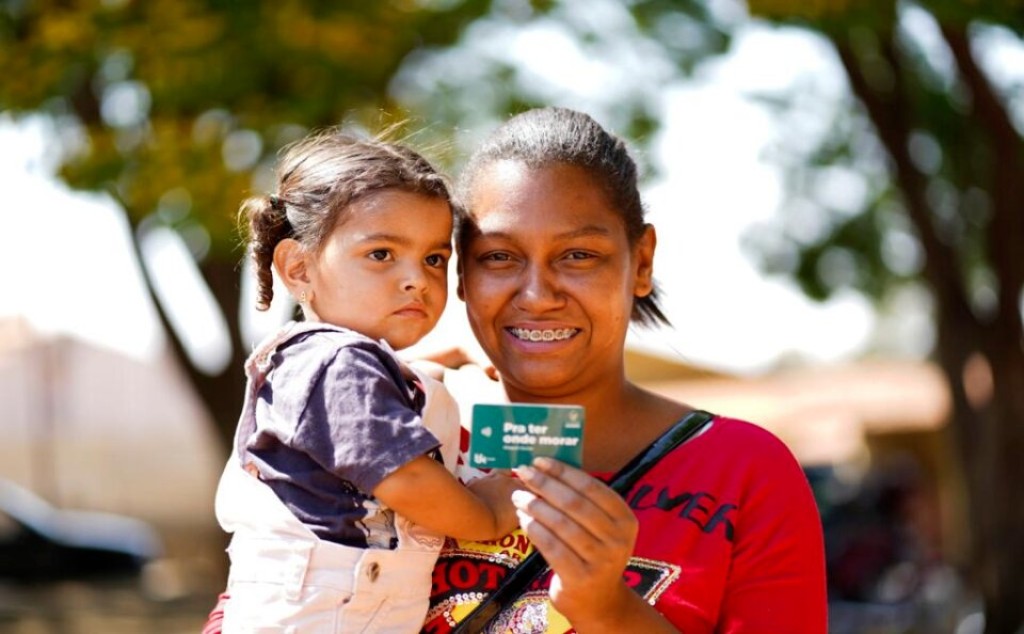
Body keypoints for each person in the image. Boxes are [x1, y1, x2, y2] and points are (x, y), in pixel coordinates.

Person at [205, 108, 828, 633]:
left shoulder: (745, 472)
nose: (536, 293)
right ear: (464, 276)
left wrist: (609, 609)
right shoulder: (392, 436)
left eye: (578, 255)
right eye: (499, 256)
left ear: (641, 262)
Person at [215, 130, 522, 632]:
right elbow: (404, 476)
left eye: (434, 259)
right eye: (381, 254)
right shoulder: (337, 365)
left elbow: (364, 410)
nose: (417, 279)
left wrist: (431, 362)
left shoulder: (319, 362)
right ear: (298, 267)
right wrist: (489, 511)